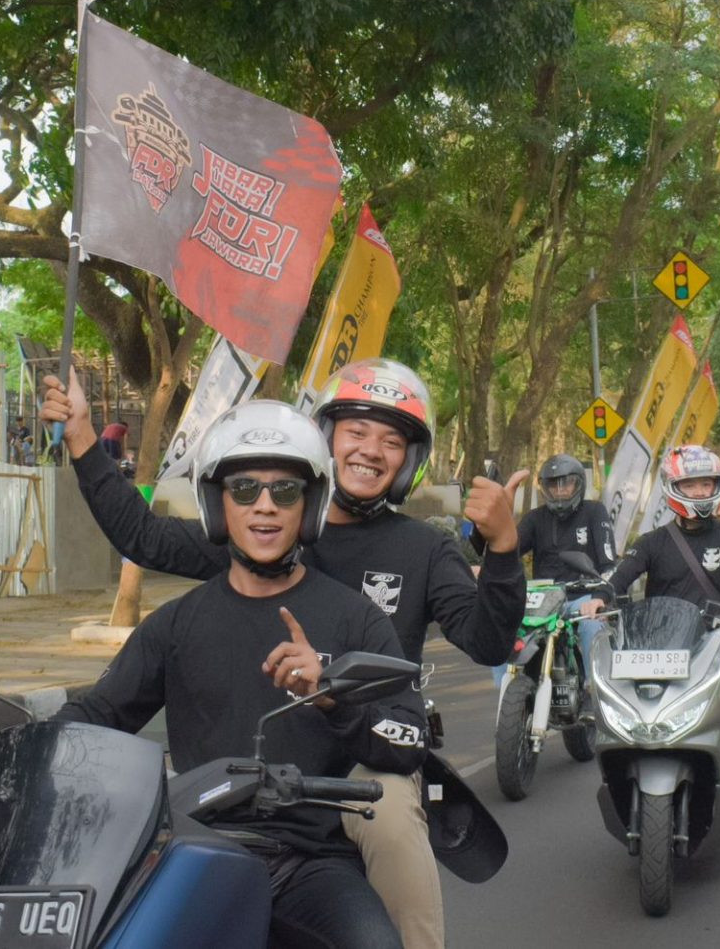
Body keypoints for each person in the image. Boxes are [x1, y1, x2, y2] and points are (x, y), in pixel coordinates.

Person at [41, 357, 525, 949]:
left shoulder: (413, 558)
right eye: (357, 431)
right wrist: (83, 438)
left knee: (391, 816)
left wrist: (503, 548)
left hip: (364, 758)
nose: (265, 507)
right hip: (232, 792)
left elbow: (486, 642)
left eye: (391, 441)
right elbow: (141, 543)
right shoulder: (233, 562)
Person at [57, 401, 423, 949]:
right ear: (217, 503)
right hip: (195, 854)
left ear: (310, 505)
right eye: (245, 489)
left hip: (309, 863)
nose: (265, 506)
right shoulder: (176, 624)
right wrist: (14, 757)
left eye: (286, 491)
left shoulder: (355, 618)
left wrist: (330, 694)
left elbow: (409, 740)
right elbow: (98, 713)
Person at [604, 445, 720, 819]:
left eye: (706, 484)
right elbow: (621, 577)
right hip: (658, 643)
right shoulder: (652, 541)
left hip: (714, 638)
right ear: (672, 488)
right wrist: (600, 597)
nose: (700, 492)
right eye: (690, 485)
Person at [486, 454, 615, 686]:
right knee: (501, 625)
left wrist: (600, 597)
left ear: (579, 483)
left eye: (566, 483)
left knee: (592, 625)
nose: (560, 489)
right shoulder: (535, 518)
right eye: (553, 484)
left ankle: (594, 688)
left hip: (582, 598)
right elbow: (508, 550)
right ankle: (506, 688)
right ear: (544, 488)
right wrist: (498, 527)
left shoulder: (595, 512)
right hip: (542, 601)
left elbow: (609, 565)